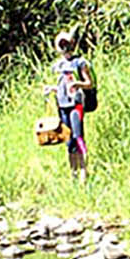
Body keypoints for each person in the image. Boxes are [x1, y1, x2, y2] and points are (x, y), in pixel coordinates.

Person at [46, 31, 92, 179]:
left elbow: (89, 83)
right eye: (62, 45)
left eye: (67, 44)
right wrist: (51, 88)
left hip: (76, 103)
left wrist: (77, 84)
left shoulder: (80, 62)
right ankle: (73, 173)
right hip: (62, 104)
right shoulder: (58, 66)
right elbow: (61, 86)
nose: (65, 48)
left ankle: (84, 171)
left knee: (78, 136)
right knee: (68, 140)